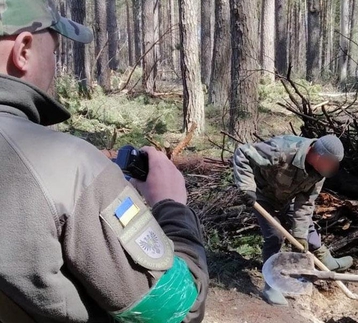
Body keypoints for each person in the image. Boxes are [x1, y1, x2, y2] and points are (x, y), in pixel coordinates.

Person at [0, 1, 208, 322]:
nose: (56, 66)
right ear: (24, 49)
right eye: (54, 51)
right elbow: (175, 310)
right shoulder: (69, 166)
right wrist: (171, 205)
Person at [233, 134, 353, 306]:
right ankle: (271, 285)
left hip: (287, 197)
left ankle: (326, 261)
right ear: (320, 156)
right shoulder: (282, 150)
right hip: (262, 195)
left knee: (306, 233)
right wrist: (246, 188)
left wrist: (299, 235)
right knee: (275, 235)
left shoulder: (319, 172)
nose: (333, 168)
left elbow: (305, 204)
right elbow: (243, 152)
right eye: (332, 163)